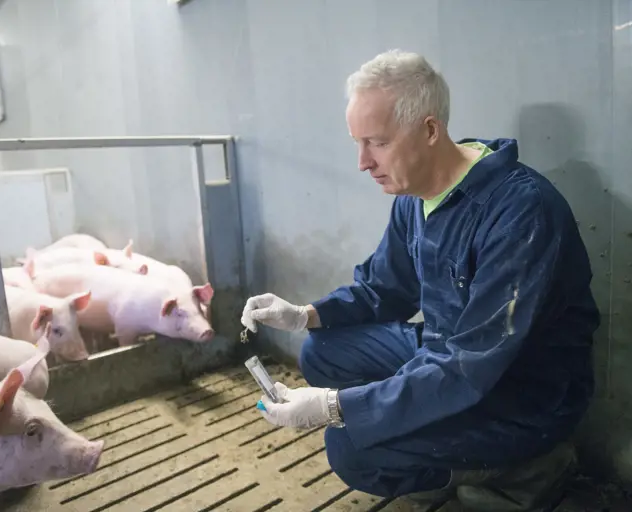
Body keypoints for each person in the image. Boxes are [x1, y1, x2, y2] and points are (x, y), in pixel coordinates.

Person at [240, 49, 600, 511]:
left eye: (377, 143)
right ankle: (437, 449)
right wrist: (303, 315)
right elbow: (383, 290)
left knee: (351, 447)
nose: (363, 162)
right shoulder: (413, 196)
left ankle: (530, 467)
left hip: (521, 392)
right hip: (446, 355)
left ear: (430, 130)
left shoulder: (521, 212)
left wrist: (339, 407)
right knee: (322, 350)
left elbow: (471, 365)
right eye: (358, 143)